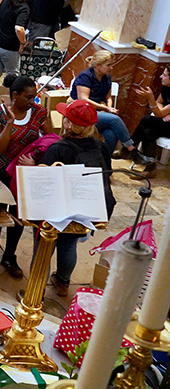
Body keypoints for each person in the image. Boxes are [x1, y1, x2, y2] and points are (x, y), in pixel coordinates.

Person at [37, 100, 115, 296]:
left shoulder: (58, 148)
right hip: (86, 208)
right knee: (69, 244)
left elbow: (44, 180)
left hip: (58, 210)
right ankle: (63, 283)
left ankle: (35, 294)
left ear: (69, 124)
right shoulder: (100, 146)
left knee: (43, 248)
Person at [0, 75, 54, 277]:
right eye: (28, 97)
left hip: (24, 173)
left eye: (34, 97)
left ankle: (9, 256)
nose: (33, 101)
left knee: (19, 215)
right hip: (0, 172)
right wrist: (10, 123)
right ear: (15, 95)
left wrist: (36, 161)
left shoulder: (39, 113)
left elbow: (51, 141)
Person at [69, 50, 155, 166]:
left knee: (111, 135)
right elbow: (83, 99)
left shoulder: (106, 77)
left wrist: (109, 106)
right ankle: (132, 151)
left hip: (97, 112)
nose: (111, 68)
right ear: (98, 65)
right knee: (114, 120)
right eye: (108, 65)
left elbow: (108, 96)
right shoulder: (86, 76)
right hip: (82, 112)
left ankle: (104, 163)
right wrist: (106, 109)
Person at [132, 67, 170, 158]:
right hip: (165, 122)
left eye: (164, 75)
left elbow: (158, 113)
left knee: (146, 120)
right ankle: (150, 167)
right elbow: (159, 102)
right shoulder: (166, 88)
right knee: (148, 133)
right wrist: (164, 112)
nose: (160, 77)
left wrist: (150, 98)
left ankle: (129, 149)